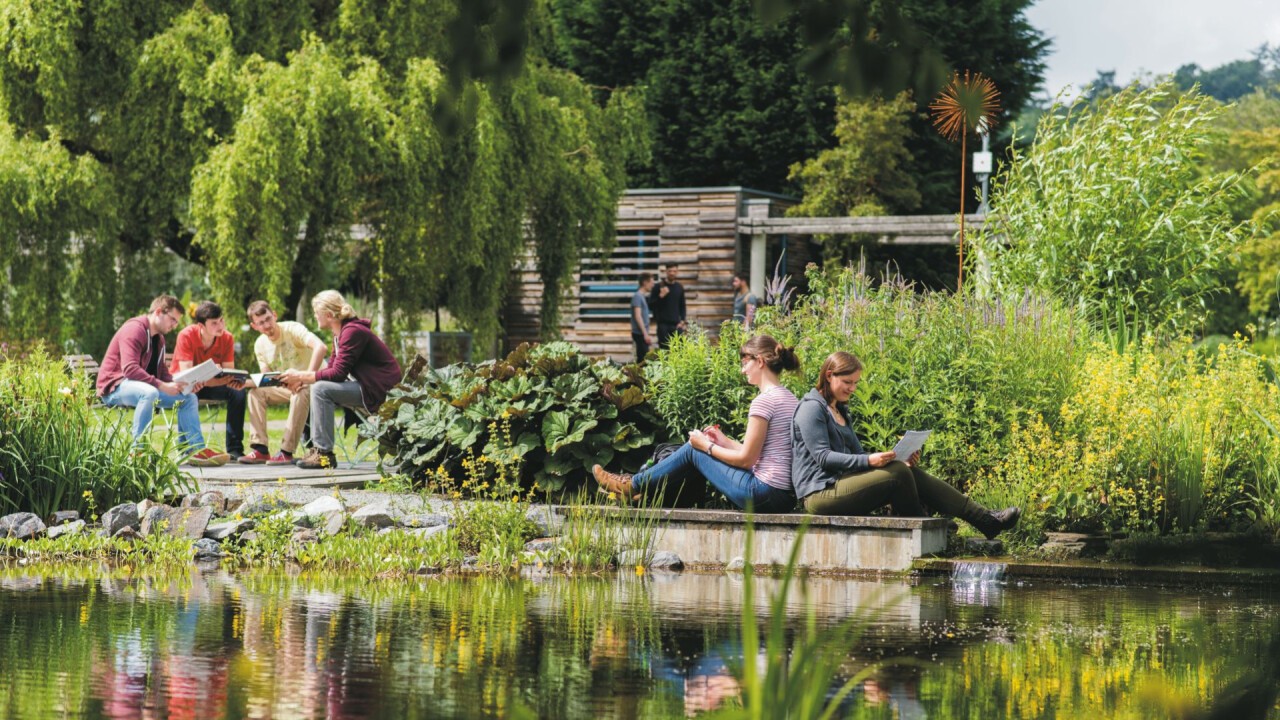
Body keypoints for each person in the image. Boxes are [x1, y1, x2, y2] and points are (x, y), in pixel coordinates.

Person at [791, 351, 1020, 539]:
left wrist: (894, 458)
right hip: (819, 494)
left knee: (907, 470)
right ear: (829, 375)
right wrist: (870, 460)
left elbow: (858, 455)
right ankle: (931, 527)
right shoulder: (812, 408)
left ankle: (986, 520)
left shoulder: (840, 411)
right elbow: (823, 457)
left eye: (856, 383)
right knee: (898, 472)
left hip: (841, 484)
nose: (852, 388)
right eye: (847, 382)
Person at [593, 335, 800, 513]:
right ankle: (638, 489)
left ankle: (633, 485)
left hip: (762, 494)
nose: (742, 370)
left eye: (745, 362)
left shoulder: (763, 401)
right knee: (697, 447)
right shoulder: (790, 398)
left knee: (694, 450)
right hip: (783, 497)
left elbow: (747, 460)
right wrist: (723, 442)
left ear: (760, 361)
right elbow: (758, 454)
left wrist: (706, 446)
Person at [97, 295, 227, 466]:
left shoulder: (159, 338)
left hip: (140, 387)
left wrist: (186, 383)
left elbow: (162, 373)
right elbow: (129, 369)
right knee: (149, 392)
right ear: (159, 312)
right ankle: (138, 452)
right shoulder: (135, 329)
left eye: (176, 322)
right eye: (172, 319)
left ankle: (196, 450)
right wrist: (162, 386)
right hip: (115, 387)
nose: (174, 325)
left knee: (188, 398)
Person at [279, 290, 402, 470]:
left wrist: (299, 375)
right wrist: (303, 381)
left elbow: (337, 374)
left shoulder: (352, 332)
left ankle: (323, 453)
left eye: (316, 312)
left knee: (321, 389)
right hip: (367, 386)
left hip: (380, 390)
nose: (315, 316)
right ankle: (319, 450)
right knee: (318, 387)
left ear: (328, 315)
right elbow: (332, 370)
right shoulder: (340, 333)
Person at [237, 300, 329, 465]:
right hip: (289, 385)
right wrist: (243, 383)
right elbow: (268, 378)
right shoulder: (260, 344)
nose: (266, 325)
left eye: (268, 319)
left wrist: (305, 377)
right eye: (260, 323)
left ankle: (286, 451)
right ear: (254, 326)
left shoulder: (292, 329)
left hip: (315, 383)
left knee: (302, 391)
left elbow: (321, 347)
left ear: (274, 315)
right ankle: (260, 449)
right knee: (255, 393)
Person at [170, 301, 248, 461]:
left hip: (211, 383)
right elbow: (187, 376)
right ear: (201, 325)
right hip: (186, 385)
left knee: (238, 392)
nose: (220, 326)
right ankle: (187, 448)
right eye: (214, 323)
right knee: (189, 394)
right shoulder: (186, 335)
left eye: (221, 320)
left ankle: (234, 449)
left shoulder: (227, 338)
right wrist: (212, 379)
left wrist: (235, 381)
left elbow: (228, 374)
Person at [649, 262, 687, 349]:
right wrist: (660, 296)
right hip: (663, 325)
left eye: (674, 271)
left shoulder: (679, 287)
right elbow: (651, 305)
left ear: (677, 272)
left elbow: (682, 305)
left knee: (679, 350)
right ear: (666, 271)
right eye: (670, 271)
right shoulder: (658, 287)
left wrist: (682, 320)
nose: (672, 273)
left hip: (676, 325)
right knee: (664, 351)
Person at [631, 273, 655, 362]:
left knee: (643, 359)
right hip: (640, 334)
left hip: (642, 333)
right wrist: (645, 334)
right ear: (645, 282)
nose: (653, 285)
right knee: (643, 361)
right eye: (651, 282)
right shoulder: (637, 296)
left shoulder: (642, 296)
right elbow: (638, 316)